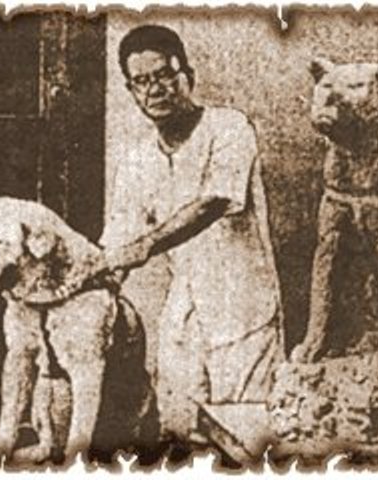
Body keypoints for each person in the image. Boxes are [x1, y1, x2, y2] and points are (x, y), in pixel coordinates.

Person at [99, 24, 283, 444]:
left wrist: (145, 245)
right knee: (178, 432)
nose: (155, 89)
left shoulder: (229, 127)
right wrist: (81, 287)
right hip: (183, 314)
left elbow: (214, 202)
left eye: (165, 75)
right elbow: (116, 244)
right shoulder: (137, 159)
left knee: (245, 435)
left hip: (243, 308)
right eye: (142, 81)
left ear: (188, 76)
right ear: (131, 90)